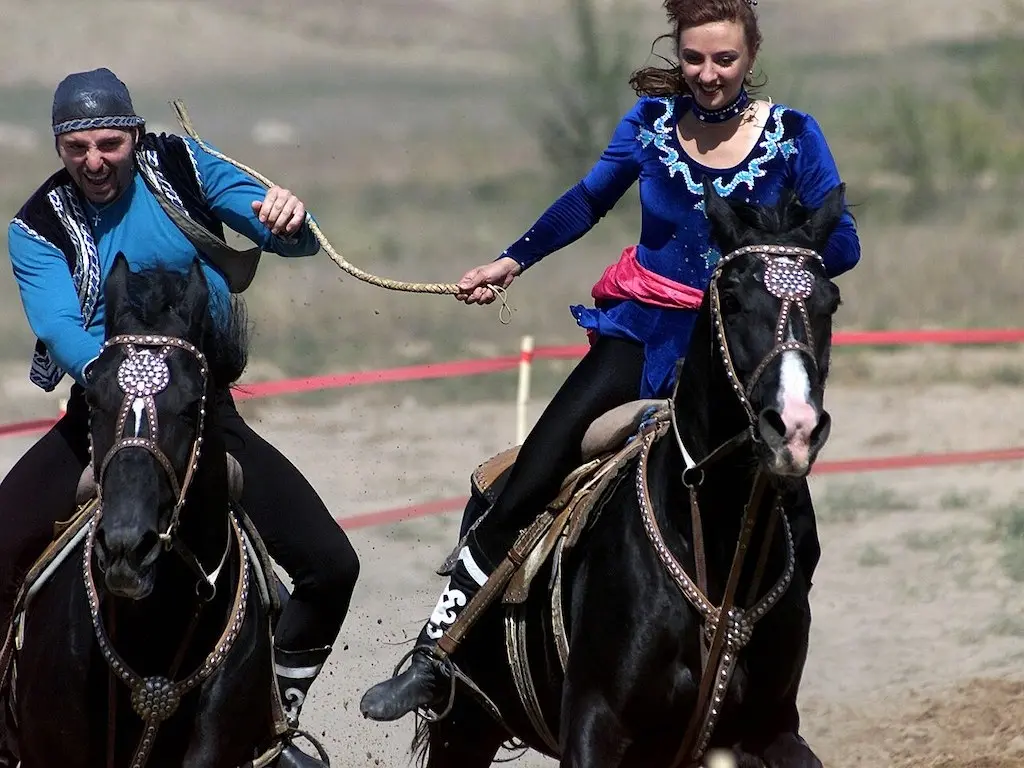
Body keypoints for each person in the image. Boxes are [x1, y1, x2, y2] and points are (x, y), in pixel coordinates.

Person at [360, 0, 860, 725]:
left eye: (724, 59)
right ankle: (436, 658)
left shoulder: (793, 136)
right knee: (522, 480)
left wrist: (782, 248)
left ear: (750, 56)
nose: (709, 74)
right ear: (678, 54)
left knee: (793, 515)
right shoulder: (651, 126)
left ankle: (768, 680)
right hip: (643, 332)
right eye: (695, 59)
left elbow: (841, 244)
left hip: (738, 353)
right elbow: (588, 200)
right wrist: (512, 260)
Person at [1, 68, 359, 767]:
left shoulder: (185, 163)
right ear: (60, 147)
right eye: (77, 149)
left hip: (198, 410)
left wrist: (290, 219)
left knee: (330, 564)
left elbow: (293, 238)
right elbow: (65, 333)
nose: (94, 162)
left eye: (109, 143)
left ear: (133, 136)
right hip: (101, 412)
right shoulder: (36, 227)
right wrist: (130, 378)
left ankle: (274, 715)